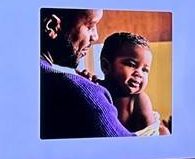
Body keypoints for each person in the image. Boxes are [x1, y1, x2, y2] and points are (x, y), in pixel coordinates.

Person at [39, 8, 132, 138]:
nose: (95, 37)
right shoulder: (87, 95)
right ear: (52, 26)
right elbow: (128, 148)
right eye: (90, 27)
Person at [97, 32, 169, 135]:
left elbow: (150, 133)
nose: (139, 73)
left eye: (145, 70)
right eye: (131, 64)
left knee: (164, 132)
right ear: (106, 66)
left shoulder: (139, 99)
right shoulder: (97, 89)